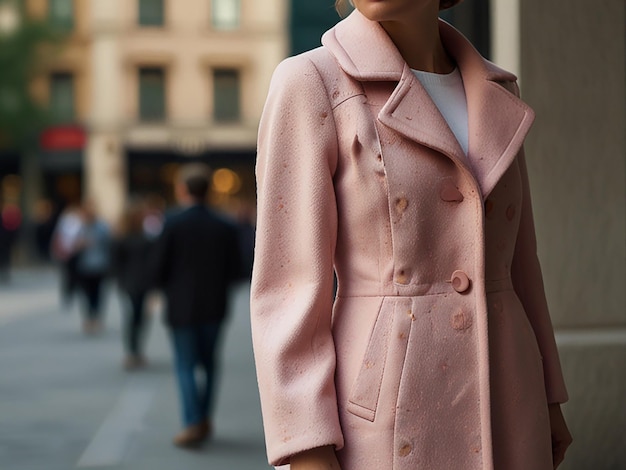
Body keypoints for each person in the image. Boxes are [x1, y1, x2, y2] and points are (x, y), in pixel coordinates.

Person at [250, 1, 572, 470]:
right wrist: (307, 448)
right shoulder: (312, 82)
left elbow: (520, 265)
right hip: (387, 423)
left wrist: (547, 397)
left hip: (513, 406)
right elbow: (287, 289)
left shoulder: (497, 89)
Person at [151, 163, 241, 448]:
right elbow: (237, 268)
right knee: (210, 364)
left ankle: (193, 421)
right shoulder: (224, 225)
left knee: (185, 364)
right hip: (215, 304)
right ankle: (203, 419)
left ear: (181, 190)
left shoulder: (172, 223)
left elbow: (158, 266)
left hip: (181, 306)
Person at [112, 198, 154, 370]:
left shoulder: (146, 235)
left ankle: (138, 351)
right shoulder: (122, 237)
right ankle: (132, 352)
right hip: (130, 282)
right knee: (132, 317)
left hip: (144, 282)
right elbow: (116, 263)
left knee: (142, 318)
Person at [73, 201, 111, 334]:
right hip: (84, 267)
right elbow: (71, 245)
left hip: (100, 266)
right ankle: (89, 318)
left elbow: (109, 244)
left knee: (98, 294)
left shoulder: (102, 227)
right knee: (86, 294)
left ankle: (96, 317)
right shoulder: (80, 227)